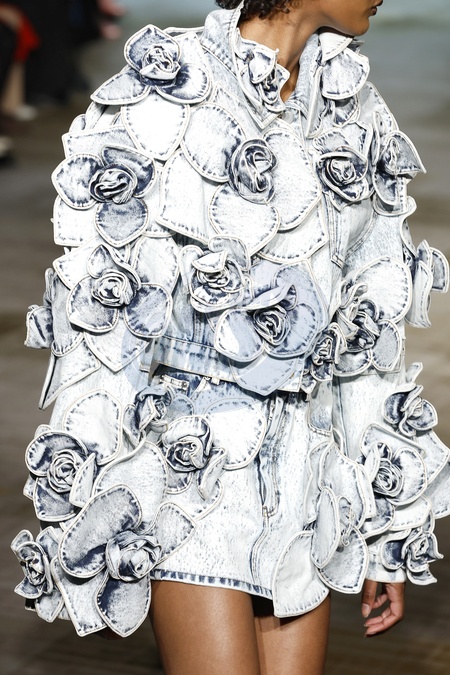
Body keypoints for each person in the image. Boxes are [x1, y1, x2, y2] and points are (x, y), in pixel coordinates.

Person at [11, 1, 450, 673]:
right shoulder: (170, 82)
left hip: (305, 482)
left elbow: (369, 330)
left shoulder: (354, 105)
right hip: (191, 479)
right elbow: (102, 311)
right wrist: (90, 510)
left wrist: (388, 528)